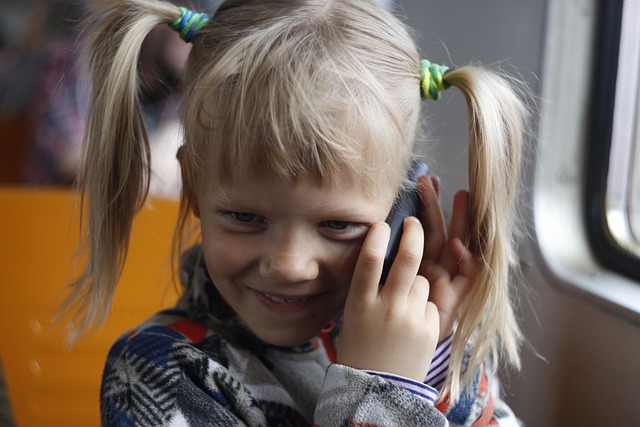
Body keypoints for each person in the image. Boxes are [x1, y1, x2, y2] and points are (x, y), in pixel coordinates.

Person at [60, 0, 529, 425]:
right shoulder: (160, 371)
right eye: (245, 217)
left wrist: (433, 363)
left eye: (338, 224)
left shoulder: (421, 341)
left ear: (402, 213)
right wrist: (381, 392)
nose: (287, 264)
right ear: (195, 190)